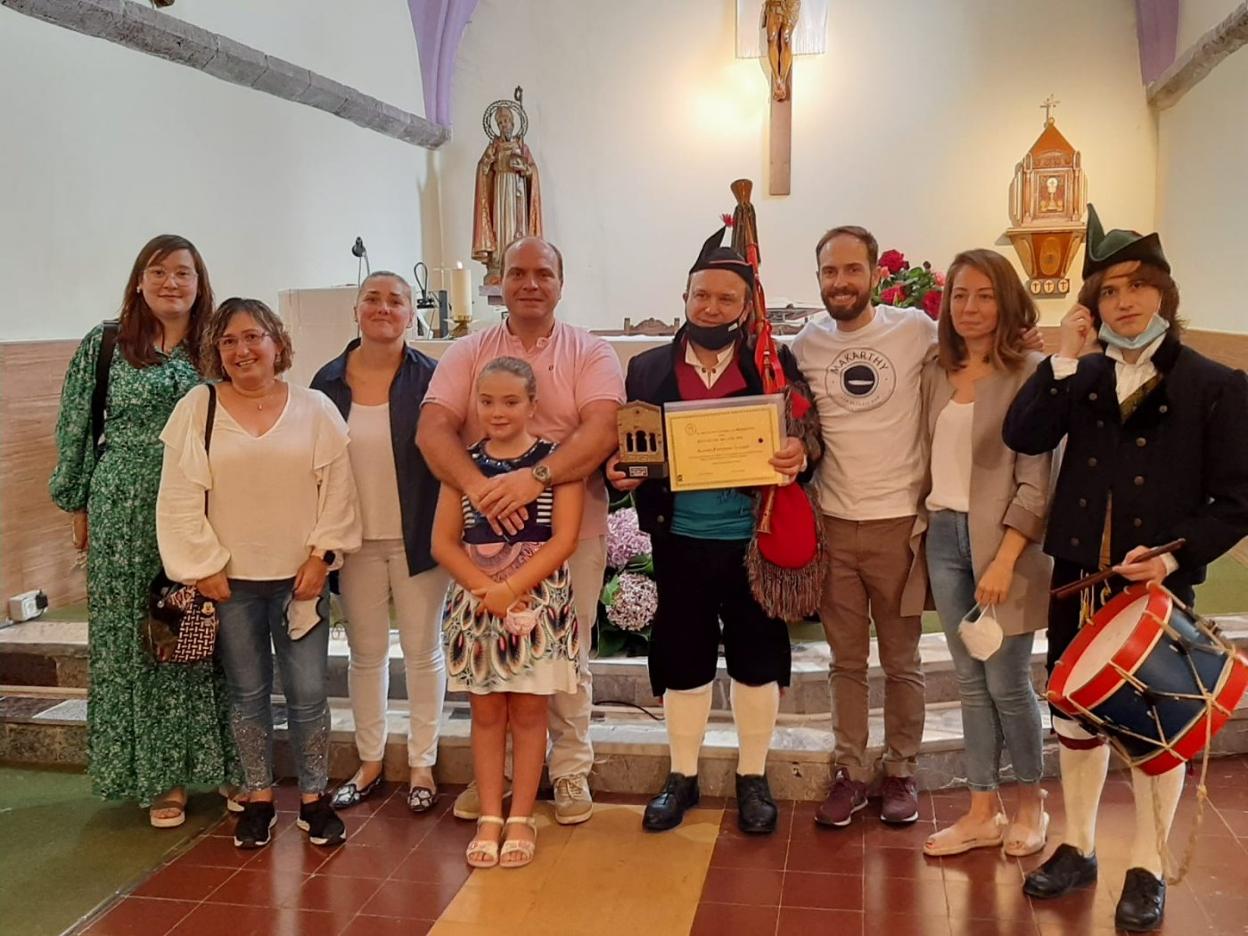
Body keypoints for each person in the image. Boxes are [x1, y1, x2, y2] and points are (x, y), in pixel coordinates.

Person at [1005, 206, 1248, 932]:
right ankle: (1077, 845)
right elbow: (1024, 431)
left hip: (1158, 584)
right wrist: (1062, 353)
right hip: (1080, 575)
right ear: (1094, 306)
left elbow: (1238, 499)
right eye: (1109, 291)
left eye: (1139, 286)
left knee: (1154, 727)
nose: (1125, 301)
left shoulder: (1217, 384)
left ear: (1165, 294)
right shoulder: (1082, 375)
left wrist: (1174, 554)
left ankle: (1145, 861)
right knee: (1076, 719)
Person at [795, 225, 1045, 828]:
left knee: (903, 661)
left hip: (902, 526)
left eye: (853, 270)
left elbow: (984, 346)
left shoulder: (912, 331)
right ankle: (851, 771)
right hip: (833, 520)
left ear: (877, 274)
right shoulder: (805, 343)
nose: (842, 282)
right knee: (845, 663)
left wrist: (1026, 336)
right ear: (819, 277)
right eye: (830, 271)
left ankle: (900, 769)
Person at [606, 228, 818, 834]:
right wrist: (619, 473)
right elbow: (630, 450)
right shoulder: (647, 369)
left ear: (746, 306)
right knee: (683, 658)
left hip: (754, 542)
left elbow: (809, 437)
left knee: (758, 658)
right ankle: (682, 775)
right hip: (679, 541)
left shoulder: (776, 363)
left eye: (727, 299)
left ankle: (754, 775)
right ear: (685, 295)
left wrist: (799, 453)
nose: (712, 308)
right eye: (703, 296)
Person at [418, 236, 625, 826]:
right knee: (492, 660)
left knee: (563, 656)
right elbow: (434, 429)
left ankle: (570, 772)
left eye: (543, 273)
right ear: (499, 281)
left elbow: (603, 427)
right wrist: (481, 489)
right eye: (517, 273)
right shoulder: (470, 349)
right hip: (481, 537)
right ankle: (499, 779)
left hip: (568, 528)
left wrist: (535, 478)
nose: (530, 283)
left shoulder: (589, 350)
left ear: (562, 282)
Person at [157, 298, 362, 850]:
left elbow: (338, 492)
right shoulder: (197, 408)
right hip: (232, 582)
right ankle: (258, 797)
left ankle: (315, 799)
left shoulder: (316, 408)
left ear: (276, 342)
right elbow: (178, 498)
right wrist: (202, 567)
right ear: (216, 352)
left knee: (308, 692)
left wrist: (322, 558)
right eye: (228, 342)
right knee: (248, 694)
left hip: (301, 580)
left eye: (252, 337)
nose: (242, 350)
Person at [49, 234, 237, 828]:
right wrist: (79, 504)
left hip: (205, 501)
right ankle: (162, 779)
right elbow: (76, 425)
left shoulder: (216, 347)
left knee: (207, 634)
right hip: (124, 506)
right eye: (158, 272)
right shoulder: (106, 346)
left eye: (183, 273)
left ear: (200, 283)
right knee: (142, 638)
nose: (171, 284)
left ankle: (230, 766)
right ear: (138, 281)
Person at [900, 249, 1052, 858]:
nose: (970, 308)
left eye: (985, 295)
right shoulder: (937, 369)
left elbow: (1037, 479)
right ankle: (982, 809)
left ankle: (1030, 803)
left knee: (1008, 681)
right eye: (960, 295)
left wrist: (1006, 556)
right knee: (968, 680)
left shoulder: (1032, 373)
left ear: (1007, 301)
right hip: (944, 534)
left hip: (1005, 543)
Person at [432, 356, 583, 868]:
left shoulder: (555, 462)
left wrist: (514, 585)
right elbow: (442, 542)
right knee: (487, 712)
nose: (497, 411)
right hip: (479, 605)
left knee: (529, 711)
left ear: (533, 404)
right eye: (487, 401)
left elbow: (563, 538)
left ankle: (521, 814)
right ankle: (489, 816)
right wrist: (485, 588)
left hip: (539, 601)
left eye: (510, 401)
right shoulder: (466, 466)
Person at [311, 272, 448, 814]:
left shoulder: (433, 379)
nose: (384, 308)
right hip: (354, 542)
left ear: (412, 313)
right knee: (365, 656)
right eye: (373, 298)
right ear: (356, 310)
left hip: (418, 537)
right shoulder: (327, 382)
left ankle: (422, 763)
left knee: (422, 652)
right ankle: (370, 760)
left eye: (397, 300)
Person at [472, 103, 543, 286]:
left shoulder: (521, 146)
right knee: (502, 227)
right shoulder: (494, 147)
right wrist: (488, 164)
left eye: (507, 121)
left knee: (517, 227)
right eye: (500, 122)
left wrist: (524, 168)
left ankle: (518, 259)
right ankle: (499, 263)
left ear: (513, 123)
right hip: (500, 189)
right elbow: (483, 168)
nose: (504, 125)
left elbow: (533, 172)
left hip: (517, 190)